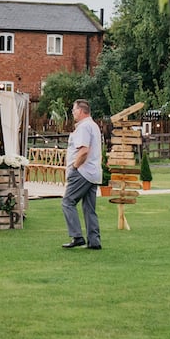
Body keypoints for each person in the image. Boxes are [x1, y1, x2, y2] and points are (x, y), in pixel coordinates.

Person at [61, 99, 102, 250]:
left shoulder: (84, 127)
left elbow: (84, 150)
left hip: (83, 171)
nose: (73, 113)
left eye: (74, 110)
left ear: (81, 110)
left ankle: (77, 236)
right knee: (89, 207)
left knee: (67, 202)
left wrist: (75, 167)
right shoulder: (94, 126)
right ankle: (94, 241)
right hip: (94, 172)